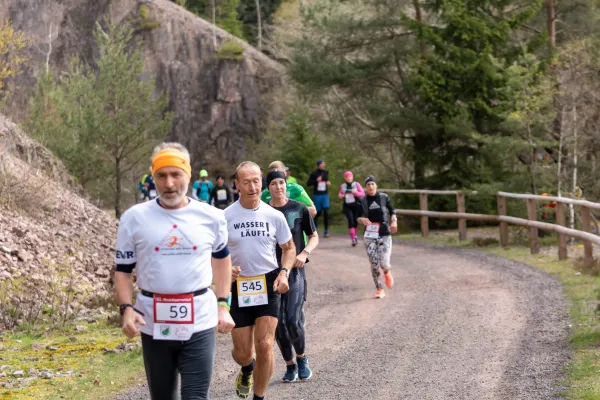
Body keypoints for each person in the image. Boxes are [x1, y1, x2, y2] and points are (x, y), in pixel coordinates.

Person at [114, 143, 235, 400]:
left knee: (195, 396)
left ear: (188, 175)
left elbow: (222, 260)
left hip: (200, 319)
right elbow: (123, 270)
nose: (169, 183)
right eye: (162, 175)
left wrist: (223, 304)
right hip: (153, 321)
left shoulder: (212, 216)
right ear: (153, 177)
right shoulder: (134, 218)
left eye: (176, 174)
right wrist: (126, 309)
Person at [225, 161, 296, 400]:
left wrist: (285, 272)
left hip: (268, 283)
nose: (252, 186)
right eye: (246, 182)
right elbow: (213, 253)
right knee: (243, 353)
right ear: (237, 185)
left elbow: (289, 248)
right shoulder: (225, 217)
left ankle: (259, 396)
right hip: (238, 285)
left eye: (256, 181)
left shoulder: (274, 216)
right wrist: (226, 270)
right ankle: (247, 368)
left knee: (265, 344)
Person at [267, 169, 319, 383]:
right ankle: (289, 365)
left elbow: (313, 236)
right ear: (268, 188)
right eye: (273, 184)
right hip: (270, 273)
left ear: (286, 185)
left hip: (294, 271)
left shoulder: (299, 209)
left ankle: (302, 358)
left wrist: (304, 252)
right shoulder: (263, 212)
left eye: (281, 182)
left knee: (292, 319)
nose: (278, 187)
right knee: (277, 323)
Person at [358, 176, 397, 299]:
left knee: (384, 262)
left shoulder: (383, 197)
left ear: (376, 186)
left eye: (372, 184)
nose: (370, 186)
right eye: (368, 184)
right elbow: (357, 217)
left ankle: (386, 272)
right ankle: (379, 289)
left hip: (384, 233)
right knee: (374, 263)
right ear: (366, 187)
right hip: (370, 235)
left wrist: (394, 221)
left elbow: (393, 211)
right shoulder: (362, 200)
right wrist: (361, 219)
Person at [338, 171, 365, 246]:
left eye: (350, 176)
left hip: (357, 205)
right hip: (347, 206)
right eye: (347, 177)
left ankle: (355, 236)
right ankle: (353, 239)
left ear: (352, 177)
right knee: (350, 220)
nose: (349, 178)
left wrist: (355, 192)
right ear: (345, 178)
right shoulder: (343, 186)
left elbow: (362, 193)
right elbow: (340, 194)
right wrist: (341, 195)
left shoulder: (356, 184)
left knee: (355, 221)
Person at [307, 160, 331, 237]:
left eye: (324, 163)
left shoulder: (326, 172)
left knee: (326, 211)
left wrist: (328, 182)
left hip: (325, 195)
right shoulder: (314, 173)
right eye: (322, 164)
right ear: (318, 165)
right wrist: (316, 181)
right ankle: (315, 227)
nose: (323, 165)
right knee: (318, 213)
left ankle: (326, 231)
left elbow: (327, 180)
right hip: (317, 195)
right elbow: (309, 183)